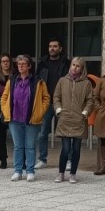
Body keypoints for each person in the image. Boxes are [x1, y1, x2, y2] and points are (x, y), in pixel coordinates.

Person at [1, 54, 50, 182]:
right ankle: (17, 171)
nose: (21, 66)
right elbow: (4, 97)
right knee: (17, 146)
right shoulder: (12, 81)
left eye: (23, 64)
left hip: (31, 119)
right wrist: (5, 110)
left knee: (30, 146)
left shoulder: (38, 81)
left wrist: (40, 111)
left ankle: (30, 171)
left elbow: (46, 98)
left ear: (29, 66)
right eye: (19, 64)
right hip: (15, 119)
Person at [53, 57, 94, 183]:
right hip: (65, 119)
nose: (75, 67)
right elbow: (56, 96)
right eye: (73, 65)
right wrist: (59, 109)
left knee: (76, 148)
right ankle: (61, 172)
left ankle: (73, 173)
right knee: (65, 148)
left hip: (79, 120)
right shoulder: (62, 81)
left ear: (82, 68)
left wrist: (85, 112)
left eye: (78, 66)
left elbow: (90, 100)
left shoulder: (86, 83)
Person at [35, 38, 70, 170]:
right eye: (50, 46)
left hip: (62, 101)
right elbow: (37, 81)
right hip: (47, 101)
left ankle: (68, 160)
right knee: (43, 132)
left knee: (65, 132)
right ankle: (42, 159)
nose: (52, 48)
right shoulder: (42, 63)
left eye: (55, 46)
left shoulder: (67, 63)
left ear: (60, 48)